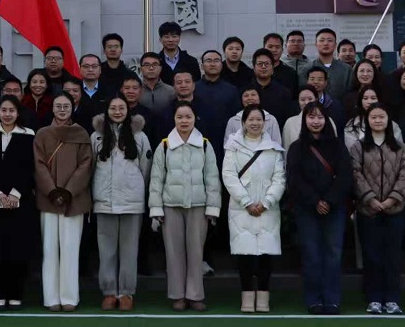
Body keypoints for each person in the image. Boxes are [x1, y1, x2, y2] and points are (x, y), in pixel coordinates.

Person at [148, 103, 222, 312]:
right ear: (174, 119)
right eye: (180, 117)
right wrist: (156, 209)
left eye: (188, 117)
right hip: (170, 206)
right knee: (174, 253)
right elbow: (156, 180)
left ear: (194, 118)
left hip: (198, 206)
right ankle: (178, 295)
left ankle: (195, 295)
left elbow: (212, 179)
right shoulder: (164, 146)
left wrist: (212, 208)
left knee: (196, 252)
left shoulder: (205, 145)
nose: (184, 121)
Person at [286, 102, 351, 315]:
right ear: (304, 120)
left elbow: (345, 176)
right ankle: (313, 299)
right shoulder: (297, 147)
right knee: (311, 255)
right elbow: (294, 179)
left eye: (320, 117)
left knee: (333, 254)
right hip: (307, 209)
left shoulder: (338, 146)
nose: (316, 121)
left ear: (327, 120)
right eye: (311, 117)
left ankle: (332, 299)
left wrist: (329, 200)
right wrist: (315, 201)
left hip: (335, 208)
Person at [221, 106, 285, 313]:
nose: (255, 123)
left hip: (268, 209)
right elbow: (229, 176)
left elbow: (279, 178)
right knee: (245, 255)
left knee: (266, 255)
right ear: (243, 122)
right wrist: (246, 202)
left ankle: (264, 297)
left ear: (265, 123)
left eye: (259, 120)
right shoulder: (233, 146)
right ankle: (247, 297)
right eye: (251, 120)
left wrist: (267, 202)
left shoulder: (273, 148)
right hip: (241, 209)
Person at [34, 93, 94, 311]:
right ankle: (51, 298)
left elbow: (86, 165)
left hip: (74, 200)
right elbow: (38, 164)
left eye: (66, 106)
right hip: (48, 199)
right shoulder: (42, 134)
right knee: (50, 250)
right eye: (58, 106)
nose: (61, 110)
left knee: (70, 249)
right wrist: (51, 190)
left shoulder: (81, 133)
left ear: (73, 108)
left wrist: (69, 191)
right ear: (52, 109)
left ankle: (69, 297)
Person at [91, 97, 152, 311]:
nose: (117, 112)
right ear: (106, 110)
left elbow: (146, 168)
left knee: (129, 249)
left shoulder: (140, 136)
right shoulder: (96, 136)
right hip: (104, 200)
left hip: (131, 201)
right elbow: (91, 166)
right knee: (106, 249)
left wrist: (136, 187)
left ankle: (126, 292)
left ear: (128, 110)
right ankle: (109, 292)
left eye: (121, 108)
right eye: (113, 108)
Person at [350, 103, 405, 315]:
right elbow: (355, 174)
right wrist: (370, 199)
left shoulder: (400, 147)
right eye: (373, 117)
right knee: (371, 256)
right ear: (367, 121)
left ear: (388, 120)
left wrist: (392, 199)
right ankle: (374, 298)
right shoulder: (358, 147)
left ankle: (392, 299)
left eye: (381, 117)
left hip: (395, 210)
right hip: (368, 210)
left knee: (392, 256)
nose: (378, 120)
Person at [0, 96, 39, 310]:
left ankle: (15, 294)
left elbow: (30, 167)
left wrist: (15, 194)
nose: (7, 114)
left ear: (18, 113)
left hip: (21, 202)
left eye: (11, 110)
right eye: (4, 110)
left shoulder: (28, 135)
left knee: (17, 249)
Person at [297, 28, 351, 99]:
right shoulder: (306, 69)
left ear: (335, 45)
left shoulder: (346, 69)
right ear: (316, 44)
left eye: (330, 40)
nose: (325, 43)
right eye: (322, 40)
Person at [249, 48, 296, 130]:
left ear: (273, 67)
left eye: (267, 64)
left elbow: (289, 121)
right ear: (254, 67)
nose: (263, 67)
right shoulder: (246, 91)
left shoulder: (284, 92)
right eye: (260, 64)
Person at [157, 21, 201, 85]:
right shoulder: (156, 61)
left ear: (179, 38)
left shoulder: (191, 61)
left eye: (174, 36)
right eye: (167, 37)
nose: (171, 40)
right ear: (160, 39)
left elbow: (196, 84)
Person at [305, 66, 347, 133]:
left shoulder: (335, 104)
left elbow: (339, 127)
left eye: (319, 79)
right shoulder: (301, 103)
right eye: (312, 79)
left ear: (325, 83)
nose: (316, 82)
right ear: (307, 81)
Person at [138, 52, 175, 120]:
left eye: (155, 64)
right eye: (147, 65)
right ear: (141, 69)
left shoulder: (171, 91)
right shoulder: (136, 91)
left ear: (160, 68)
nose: (151, 68)